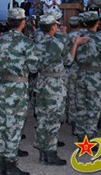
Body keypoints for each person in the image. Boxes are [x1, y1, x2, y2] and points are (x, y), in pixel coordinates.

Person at [35, 14, 88, 166]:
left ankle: (42, 152)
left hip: (41, 83)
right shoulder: (57, 44)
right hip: (55, 86)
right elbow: (69, 61)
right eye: (56, 25)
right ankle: (50, 153)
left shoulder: (36, 43)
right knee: (53, 120)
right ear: (52, 27)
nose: (57, 27)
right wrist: (75, 44)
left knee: (43, 119)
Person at [0, 8, 38, 175]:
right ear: (22, 23)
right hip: (18, 89)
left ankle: (0, 164)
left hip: (2, 86)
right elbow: (34, 68)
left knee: (1, 124)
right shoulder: (27, 43)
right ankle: (10, 165)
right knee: (14, 126)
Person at [74, 11, 101, 142]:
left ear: (84, 23)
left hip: (81, 74)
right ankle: (90, 138)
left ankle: (80, 135)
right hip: (95, 77)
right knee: (93, 108)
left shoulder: (78, 38)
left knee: (81, 106)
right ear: (97, 23)